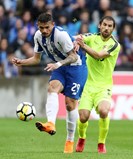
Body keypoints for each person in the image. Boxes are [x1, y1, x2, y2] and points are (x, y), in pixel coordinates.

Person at [11, 13, 87, 153]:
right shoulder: (38, 37)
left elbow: (74, 56)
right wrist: (22, 62)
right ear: (37, 26)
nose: (44, 30)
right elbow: (36, 59)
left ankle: (70, 140)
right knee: (52, 87)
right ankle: (51, 123)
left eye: (47, 27)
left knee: (70, 104)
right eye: (41, 27)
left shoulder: (61, 35)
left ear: (53, 24)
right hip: (59, 67)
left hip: (76, 67)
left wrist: (57, 64)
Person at [75, 16, 120, 153]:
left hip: (103, 86)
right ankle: (82, 138)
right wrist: (77, 41)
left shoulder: (115, 45)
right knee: (83, 117)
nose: (106, 28)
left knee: (104, 111)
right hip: (87, 85)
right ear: (99, 25)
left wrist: (83, 46)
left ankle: (101, 143)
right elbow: (78, 37)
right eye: (104, 25)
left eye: (110, 26)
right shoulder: (92, 37)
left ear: (113, 28)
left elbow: (98, 55)